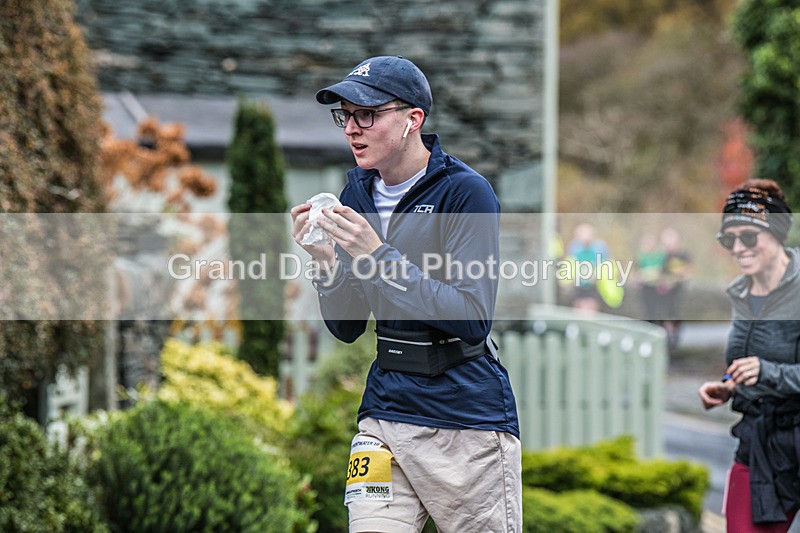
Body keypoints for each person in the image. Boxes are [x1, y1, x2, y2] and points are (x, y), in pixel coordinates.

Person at [290, 56, 521, 532]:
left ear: (413, 119)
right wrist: (326, 262)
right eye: (345, 116)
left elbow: (472, 316)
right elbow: (348, 327)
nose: (352, 128)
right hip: (385, 411)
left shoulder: (467, 193)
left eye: (367, 114)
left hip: (465, 421)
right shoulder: (355, 195)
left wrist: (376, 256)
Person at [697, 179, 800, 533]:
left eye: (749, 237)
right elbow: (748, 362)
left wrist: (768, 372)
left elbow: (765, 368)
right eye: (729, 239)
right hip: (760, 442)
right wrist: (728, 385)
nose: (738, 247)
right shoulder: (741, 291)